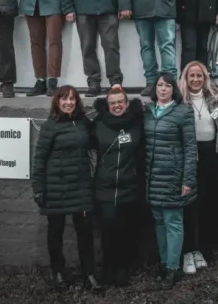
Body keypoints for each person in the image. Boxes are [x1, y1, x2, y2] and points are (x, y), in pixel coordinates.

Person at [31, 85, 103, 292]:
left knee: (85, 234)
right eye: (64, 99)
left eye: (72, 99)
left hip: (80, 187)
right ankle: (58, 272)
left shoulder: (83, 123)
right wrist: (38, 188)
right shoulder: (49, 126)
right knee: (55, 233)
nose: (68, 102)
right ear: (57, 101)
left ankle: (88, 274)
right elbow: (39, 160)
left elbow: (97, 139)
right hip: (55, 188)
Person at [143, 72, 197, 290]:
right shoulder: (148, 112)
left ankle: (173, 268)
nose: (163, 89)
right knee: (159, 221)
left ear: (173, 89)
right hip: (153, 176)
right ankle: (164, 263)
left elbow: (190, 148)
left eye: (166, 86)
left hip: (174, 177)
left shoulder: (182, 112)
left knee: (173, 222)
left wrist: (188, 179)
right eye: (159, 85)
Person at [92, 85, 145, 286]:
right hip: (105, 187)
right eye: (112, 103)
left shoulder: (137, 122)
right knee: (108, 231)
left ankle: (123, 268)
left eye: (120, 102)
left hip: (130, 185)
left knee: (127, 230)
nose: (116, 106)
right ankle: (108, 269)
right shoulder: (99, 123)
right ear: (107, 105)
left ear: (127, 103)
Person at [179, 61, 218, 275]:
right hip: (189, 156)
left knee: (208, 201)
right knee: (190, 204)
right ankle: (190, 249)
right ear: (186, 79)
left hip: (210, 156)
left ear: (205, 78)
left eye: (199, 75)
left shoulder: (213, 100)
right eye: (192, 76)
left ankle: (206, 248)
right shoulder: (180, 102)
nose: (196, 79)